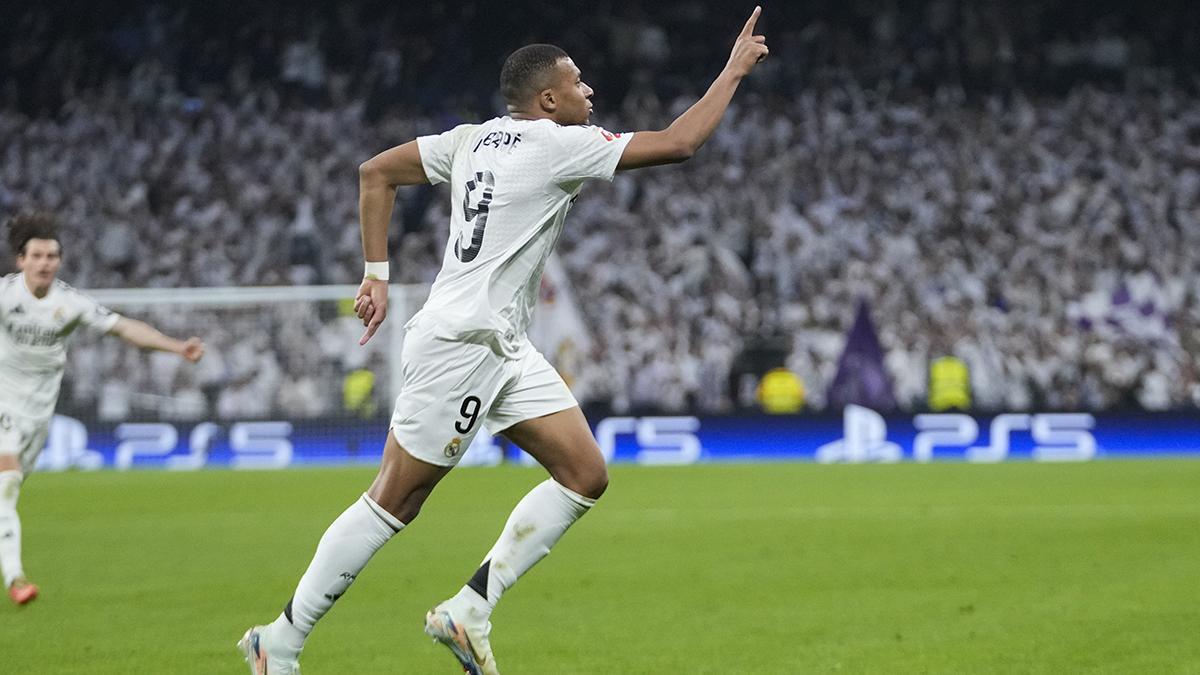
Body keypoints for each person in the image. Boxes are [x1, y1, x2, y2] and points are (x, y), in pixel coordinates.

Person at [238, 7, 769, 674]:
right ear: (548, 100)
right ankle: (279, 639)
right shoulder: (557, 145)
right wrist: (733, 70)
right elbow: (680, 143)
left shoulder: (472, 139)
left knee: (584, 473)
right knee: (394, 499)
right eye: (579, 83)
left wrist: (376, 273)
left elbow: (377, 171)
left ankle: (470, 609)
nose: (590, 92)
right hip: (461, 343)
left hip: (505, 345)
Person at [0, 212, 205, 605]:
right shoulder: (6, 296)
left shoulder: (69, 303)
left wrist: (176, 346)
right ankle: (16, 579)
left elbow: (126, 328)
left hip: (39, 413)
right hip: (3, 404)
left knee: (7, 493)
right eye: (37, 256)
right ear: (20, 260)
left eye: (52, 256)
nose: (45, 263)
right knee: (6, 485)